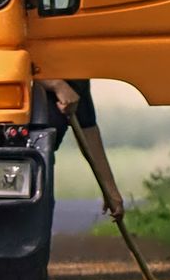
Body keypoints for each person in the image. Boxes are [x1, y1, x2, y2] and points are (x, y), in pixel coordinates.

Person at [41, 78, 125, 220]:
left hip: (37, 168)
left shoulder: (75, 74)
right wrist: (55, 84)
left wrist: (110, 189)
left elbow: (87, 128)